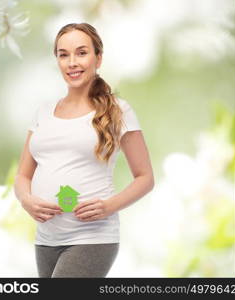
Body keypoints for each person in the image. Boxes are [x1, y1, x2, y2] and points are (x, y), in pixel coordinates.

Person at [14, 23, 154, 278]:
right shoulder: (43, 112)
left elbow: (145, 178)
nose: (72, 62)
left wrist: (109, 206)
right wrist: (26, 200)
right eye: (63, 54)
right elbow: (23, 175)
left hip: (93, 237)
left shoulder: (118, 111)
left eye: (81, 53)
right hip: (46, 239)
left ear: (98, 58)